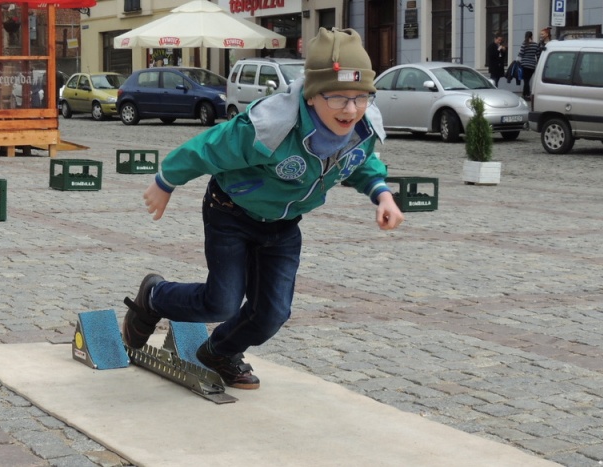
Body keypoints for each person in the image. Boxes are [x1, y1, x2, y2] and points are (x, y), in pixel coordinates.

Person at [121, 27, 404, 390]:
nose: (350, 109)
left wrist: (381, 194)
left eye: (360, 97)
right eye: (337, 98)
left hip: (283, 226)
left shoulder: (360, 128)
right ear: (313, 94)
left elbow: (359, 163)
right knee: (221, 303)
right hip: (231, 213)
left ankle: (219, 351)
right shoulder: (270, 126)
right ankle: (153, 296)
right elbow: (209, 146)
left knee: (271, 313)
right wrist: (166, 181)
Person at [518, 31, 539, 98]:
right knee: (527, 80)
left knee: (526, 81)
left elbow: (520, 54)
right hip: (532, 65)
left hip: (524, 65)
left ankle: (526, 94)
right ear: (531, 36)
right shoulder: (535, 44)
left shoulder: (524, 44)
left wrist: (517, 62)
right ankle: (526, 94)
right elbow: (538, 54)